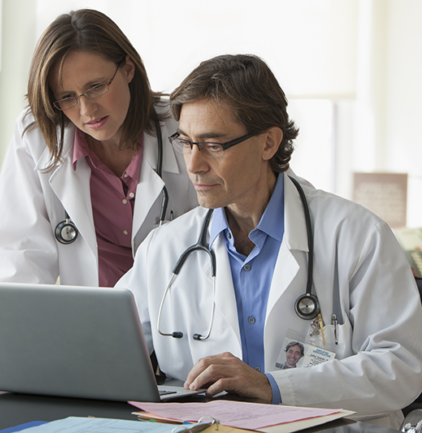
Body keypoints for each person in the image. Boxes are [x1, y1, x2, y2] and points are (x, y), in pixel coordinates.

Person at [115, 54, 422, 429]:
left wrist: (272, 387)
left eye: (213, 145)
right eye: (186, 142)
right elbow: (104, 347)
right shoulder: (165, 249)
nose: (193, 165)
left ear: (268, 143)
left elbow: (402, 367)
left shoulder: (358, 236)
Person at [0, 9, 198, 377]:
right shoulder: (38, 135)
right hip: (93, 340)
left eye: (96, 87)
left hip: (183, 334)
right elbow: (18, 255)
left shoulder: (182, 128)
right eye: (67, 97)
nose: (86, 109)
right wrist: (5, 345)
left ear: (128, 68)